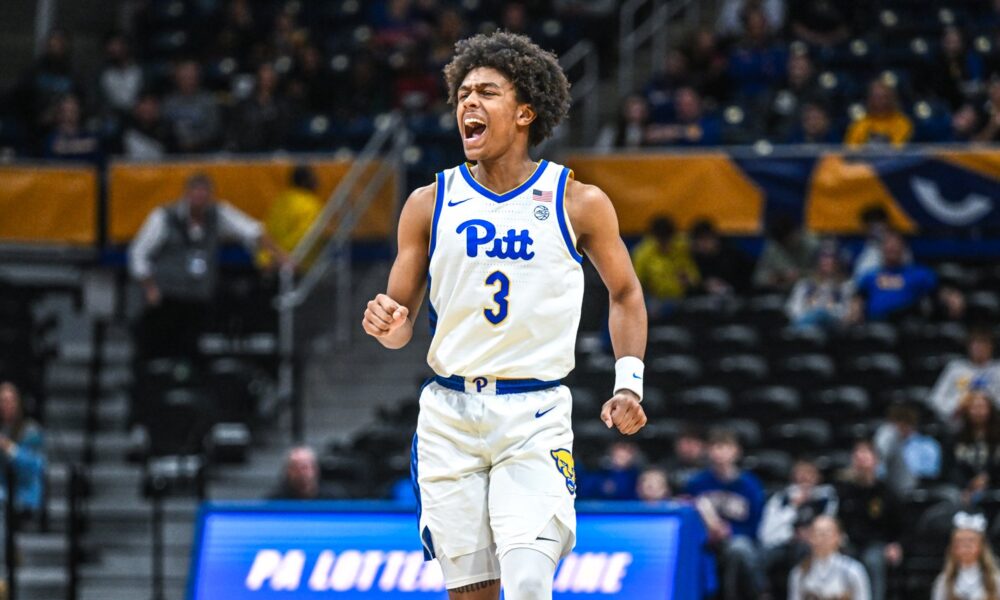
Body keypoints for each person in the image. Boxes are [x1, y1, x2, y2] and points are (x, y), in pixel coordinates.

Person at [361, 32, 648, 600]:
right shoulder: (427, 203)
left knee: (527, 581)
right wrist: (389, 326)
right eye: (463, 93)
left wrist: (629, 384)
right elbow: (399, 328)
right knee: (472, 594)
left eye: (486, 92)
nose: (468, 102)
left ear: (525, 112)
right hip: (449, 415)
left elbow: (626, 294)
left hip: (534, 412)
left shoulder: (578, 201)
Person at [129, 173, 288, 359]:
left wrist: (281, 255)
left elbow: (252, 230)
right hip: (167, 297)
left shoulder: (217, 214)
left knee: (194, 348)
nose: (200, 198)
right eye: (196, 192)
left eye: (204, 193)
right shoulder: (164, 217)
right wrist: (149, 287)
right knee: (160, 346)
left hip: (199, 297)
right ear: (186, 194)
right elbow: (138, 253)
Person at [684, 428, 765, 600]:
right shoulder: (697, 483)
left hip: (738, 540)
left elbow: (755, 526)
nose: (719, 453)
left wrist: (729, 531)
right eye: (715, 447)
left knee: (739, 549)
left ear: (736, 451)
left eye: (725, 447)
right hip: (706, 541)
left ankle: (758, 593)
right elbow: (689, 516)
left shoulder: (750, 485)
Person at [758, 459, 839, 597]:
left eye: (809, 474)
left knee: (803, 549)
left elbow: (830, 524)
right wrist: (793, 508)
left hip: (815, 544)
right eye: (801, 474)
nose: (805, 478)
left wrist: (812, 535)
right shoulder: (782, 498)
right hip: (784, 542)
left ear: (817, 477)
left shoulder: (826, 498)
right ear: (793, 477)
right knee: (762, 554)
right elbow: (767, 534)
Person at [835, 439, 904, 600]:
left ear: (876, 461)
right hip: (849, 543)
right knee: (843, 560)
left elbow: (902, 525)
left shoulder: (887, 492)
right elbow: (837, 521)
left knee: (871, 560)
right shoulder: (844, 490)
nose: (861, 460)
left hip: (877, 544)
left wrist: (897, 544)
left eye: (865, 455)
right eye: (857, 456)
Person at [849, 231, 941, 323]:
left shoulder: (919, 274)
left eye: (895, 245)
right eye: (888, 244)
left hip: (906, 326)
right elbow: (858, 296)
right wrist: (855, 309)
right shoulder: (871, 276)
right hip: (875, 325)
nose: (892, 247)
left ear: (903, 248)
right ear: (882, 249)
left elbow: (939, 292)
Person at [631, 215, 700, 318]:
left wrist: (688, 280)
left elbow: (694, 278)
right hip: (654, 300)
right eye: (661, 240)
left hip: (681, 299)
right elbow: (635, 284)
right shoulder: (642, 253)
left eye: (668, 240)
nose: (665, 244)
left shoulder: (681, 248)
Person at [789, 515, 872, 600]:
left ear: (839, 537)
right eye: (817, 533)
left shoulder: (853, 570)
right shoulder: (800, 573)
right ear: (810, 538)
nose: (822, 538)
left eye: (827, 532)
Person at [257, 165, 324, 270]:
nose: (318, 182)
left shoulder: (280, 200)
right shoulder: (310, 204)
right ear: (304, 181)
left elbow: (267, 231)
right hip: (292, 262)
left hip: (270, 260)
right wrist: (282, 257)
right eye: (314, 178)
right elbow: (304, 235)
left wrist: (267, 257)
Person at [930, 330, 1000, 425]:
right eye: (976, 345)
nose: (980, 349)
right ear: (969, 347)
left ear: (991, 347)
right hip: (958, 422)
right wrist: (956, 406)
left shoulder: (997, 369)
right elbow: (936, 399)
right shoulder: (955, 368)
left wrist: (986, 406)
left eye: (984, 345)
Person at [874, 403, 943, 495]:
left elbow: (931, 473)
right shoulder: (887, 440)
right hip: (890, 487)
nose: (899, 428)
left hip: (920, 488)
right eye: (895, 424)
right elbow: (879, 471)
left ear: (911, 424)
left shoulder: (927, 445)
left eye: (903, 424)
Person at [0, 382, 46, 517]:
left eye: (10, 400)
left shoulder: (31, 431)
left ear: (18, 403)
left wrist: (8, 447)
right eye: (2, 401)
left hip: (24, 495)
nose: (6, 405)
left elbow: (34, 467)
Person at [932, 511, 1000, 600]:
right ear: (953, 548)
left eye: (971, 541)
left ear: (981, 546)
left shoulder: (995, 580)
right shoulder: (944, 581)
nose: (966, 546)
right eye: (961, 541)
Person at [948, 390, 1000, 504]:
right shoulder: (956, 437)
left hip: (995, 485)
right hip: (963, 486)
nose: (978, 411)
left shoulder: (997, 436)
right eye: (974, 407)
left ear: (990, 409)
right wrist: (967, 486)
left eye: (982, 407)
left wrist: (987, 478)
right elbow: (951, 466)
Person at [785, 243, 853, 329]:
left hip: (833, 327)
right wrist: (809, 310)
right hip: (806, 322)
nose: (828, 261)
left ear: (839, 262)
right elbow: (792, 310)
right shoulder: (805, 284)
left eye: (832, 257)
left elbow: (847, 313)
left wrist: (829, 309)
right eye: (824, 257)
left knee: (820, 313)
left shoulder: (846, 286)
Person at [227, 62, 290, 153]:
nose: (267, 81)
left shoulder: (282, 104)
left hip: (274, 153)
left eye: (270, 78)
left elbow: (284, 131)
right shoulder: (245, 105)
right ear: (258, 79)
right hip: (246, 152)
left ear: (275, 80)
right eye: (264, 78)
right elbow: (235, 130)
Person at [162, 60, 222, 153]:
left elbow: (213, 129)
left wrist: (195, 141)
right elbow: (164, 127)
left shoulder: (208, 99)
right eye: (184, 77)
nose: (188, 80)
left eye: (191, 76)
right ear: (176, 78)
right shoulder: (169, 101)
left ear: (198, 77)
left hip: (205, 150)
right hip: (174, 150)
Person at [753, 215, 819, 291]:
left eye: (792, 238)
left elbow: (824, 273)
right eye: (785, 242)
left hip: (808, 291)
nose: (790, 242)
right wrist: (777, 278)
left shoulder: (812, 245)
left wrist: (801, 275)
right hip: (781, 292)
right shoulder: (773, 248)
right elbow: (758, 278)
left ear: (796, 232)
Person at [689, 219, 752, 296]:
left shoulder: (734, 256)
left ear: (715, 238)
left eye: (706, 239)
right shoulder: (693, 260)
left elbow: (747, 281)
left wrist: (727, 287)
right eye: (699, 240)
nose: (703, 244)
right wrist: (703, 286)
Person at [844, 80, 914, 148]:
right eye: (876, 96)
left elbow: (898, 150)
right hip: (863, 159)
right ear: (870, 99)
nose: (879, 100)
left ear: (891, 98)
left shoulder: (902, 122)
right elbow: (851, 150)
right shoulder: (859, 123)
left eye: (884, 96)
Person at [645, 86, 722, 146]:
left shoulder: (710, 122)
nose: (684, 109)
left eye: (688, 104)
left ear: (698, 103)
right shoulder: (672, 120)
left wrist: (674, 133)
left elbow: (699, 134)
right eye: (680, 105)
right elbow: (651, 134)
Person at [851, 205, 909, 281]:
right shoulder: (858, 248)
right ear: (866, 227)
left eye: (879, 223)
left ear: (886, 224)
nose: (877, 228)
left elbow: (908, 273)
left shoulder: (899, 246)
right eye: (872, 224)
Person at [97, 31, 143, 116]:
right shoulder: (103, 74)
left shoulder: (139, 71)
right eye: (111, 46)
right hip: (112, 115)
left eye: (117, 45)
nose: (114, 49)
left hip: (138, 114)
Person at [268, 446, 334, 500]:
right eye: (295, 468)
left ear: (315, 469)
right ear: (288, 471)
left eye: (304, 467)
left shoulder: (332, 499)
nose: (301, 473)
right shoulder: (275, 501)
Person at [664, 425, 707, 491]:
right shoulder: (667, 467)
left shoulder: (711, 467)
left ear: (702, 446)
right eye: (686, 443)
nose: (689, 448)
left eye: (694, 444)